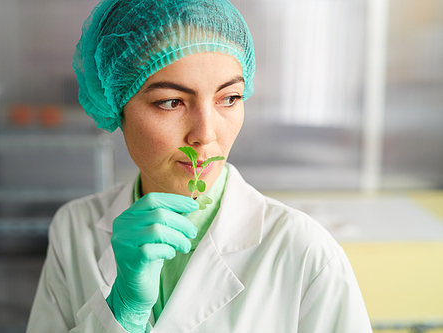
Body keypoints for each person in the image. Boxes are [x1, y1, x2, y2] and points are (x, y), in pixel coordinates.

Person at [26, 0, 372, 332]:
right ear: (116, 103)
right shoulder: (74, 229)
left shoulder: (305, 251)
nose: (205, 135)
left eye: (229, 98)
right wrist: (123, 310)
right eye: (171, 102)